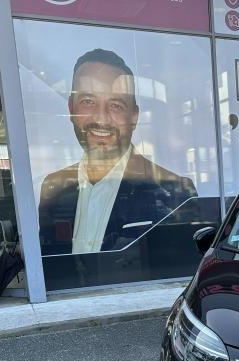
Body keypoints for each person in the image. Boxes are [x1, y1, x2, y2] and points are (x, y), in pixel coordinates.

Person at [38, 49, 197, 255]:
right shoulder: (53, 187)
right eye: (88, 102)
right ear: (71, 109)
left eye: (116, 105)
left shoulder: (175, 192)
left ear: (134, 117)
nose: (101, 118)